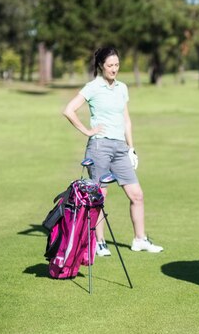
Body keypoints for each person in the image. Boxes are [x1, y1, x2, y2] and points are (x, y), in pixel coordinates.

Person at [63, 47, 163, 255]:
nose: (114, 69)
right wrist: (87, 131)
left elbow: (126, 119)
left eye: (117, 65)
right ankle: (99, 242)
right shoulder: (93, 87)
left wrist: (131, 147)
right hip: (100, 146)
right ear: (100, 65)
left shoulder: (122, 88)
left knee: (137, 195)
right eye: (110, 65)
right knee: (101, 196)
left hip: (120, 148)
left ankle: (140, 239)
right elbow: (69, 110)